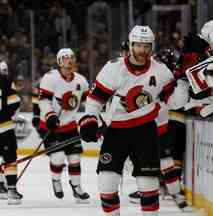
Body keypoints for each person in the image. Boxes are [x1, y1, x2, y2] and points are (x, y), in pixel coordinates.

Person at [79, 25, 189, 215]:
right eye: (138, 45)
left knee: (148, 185)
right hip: (116, 132)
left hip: (145, 132)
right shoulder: (113, 68)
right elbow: (95, 99)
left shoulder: (161, 71)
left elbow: (175, 102)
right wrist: (89, 119)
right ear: (130, 45)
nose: (142, 50)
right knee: (106, 182)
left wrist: (183, 82)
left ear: (152, 46)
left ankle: (168, 201)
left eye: (147, 46)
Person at [38, 48, 90, 202]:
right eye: (65, 58)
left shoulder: (81, 80)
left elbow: (91, 102)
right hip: (50, 126)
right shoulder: (50, 78)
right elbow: (43, 100)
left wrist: (95, 120)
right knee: (58, 157)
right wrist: (50, 115)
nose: (69, 60)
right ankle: (56, 180)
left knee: (74, 158)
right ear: (59, 61)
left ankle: (77, 188)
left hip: (70, 126)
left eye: (71, 57)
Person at [0, 61, 22, 204]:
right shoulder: (6, 81)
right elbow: (15, 102)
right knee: (9, 158)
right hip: (4, 127)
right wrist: (6, 114)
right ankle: (11, 190)